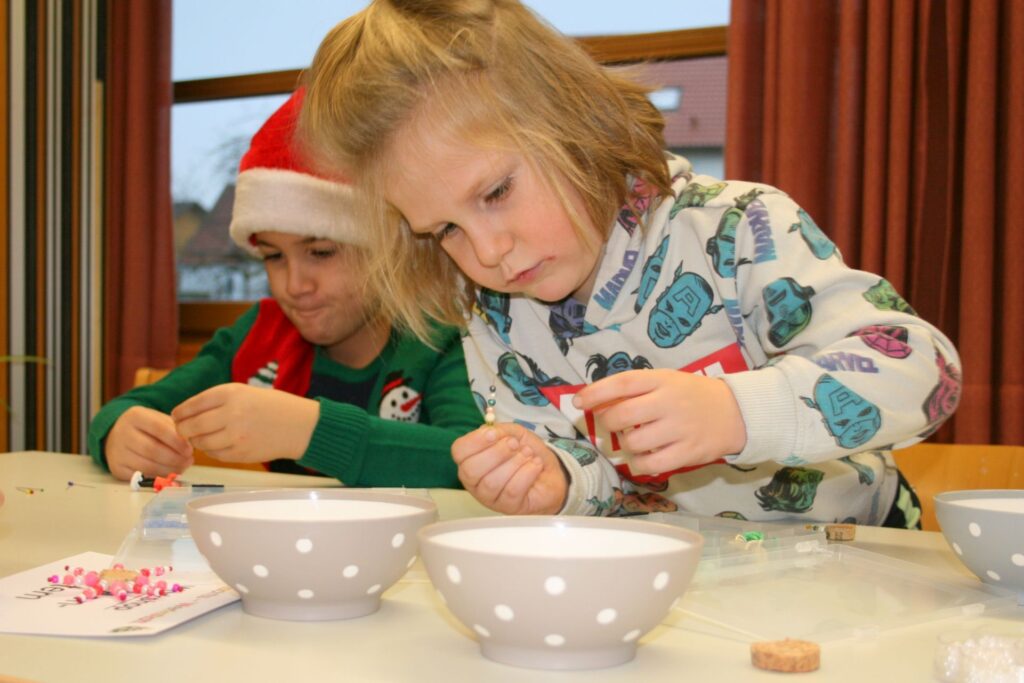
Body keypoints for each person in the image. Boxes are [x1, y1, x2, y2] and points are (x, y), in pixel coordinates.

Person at [297, 0, 962, 526]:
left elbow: (922, 368)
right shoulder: (495, 316)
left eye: (496, 192)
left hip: (856, 558)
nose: (487, 252)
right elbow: (596, 476)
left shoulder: (735, 230)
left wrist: (736, 410)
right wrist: (555, 480)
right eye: (444, 229)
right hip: (687, 585)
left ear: (569, 120)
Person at [87, 88, 484, 488]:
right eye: (274, 257)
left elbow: (469, 461)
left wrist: (306, 429)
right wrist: (117, 433)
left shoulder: (439, 338)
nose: (295, 286)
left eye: (321, 252)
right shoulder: (262, 335)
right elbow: (131, 409)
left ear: (385, 250)